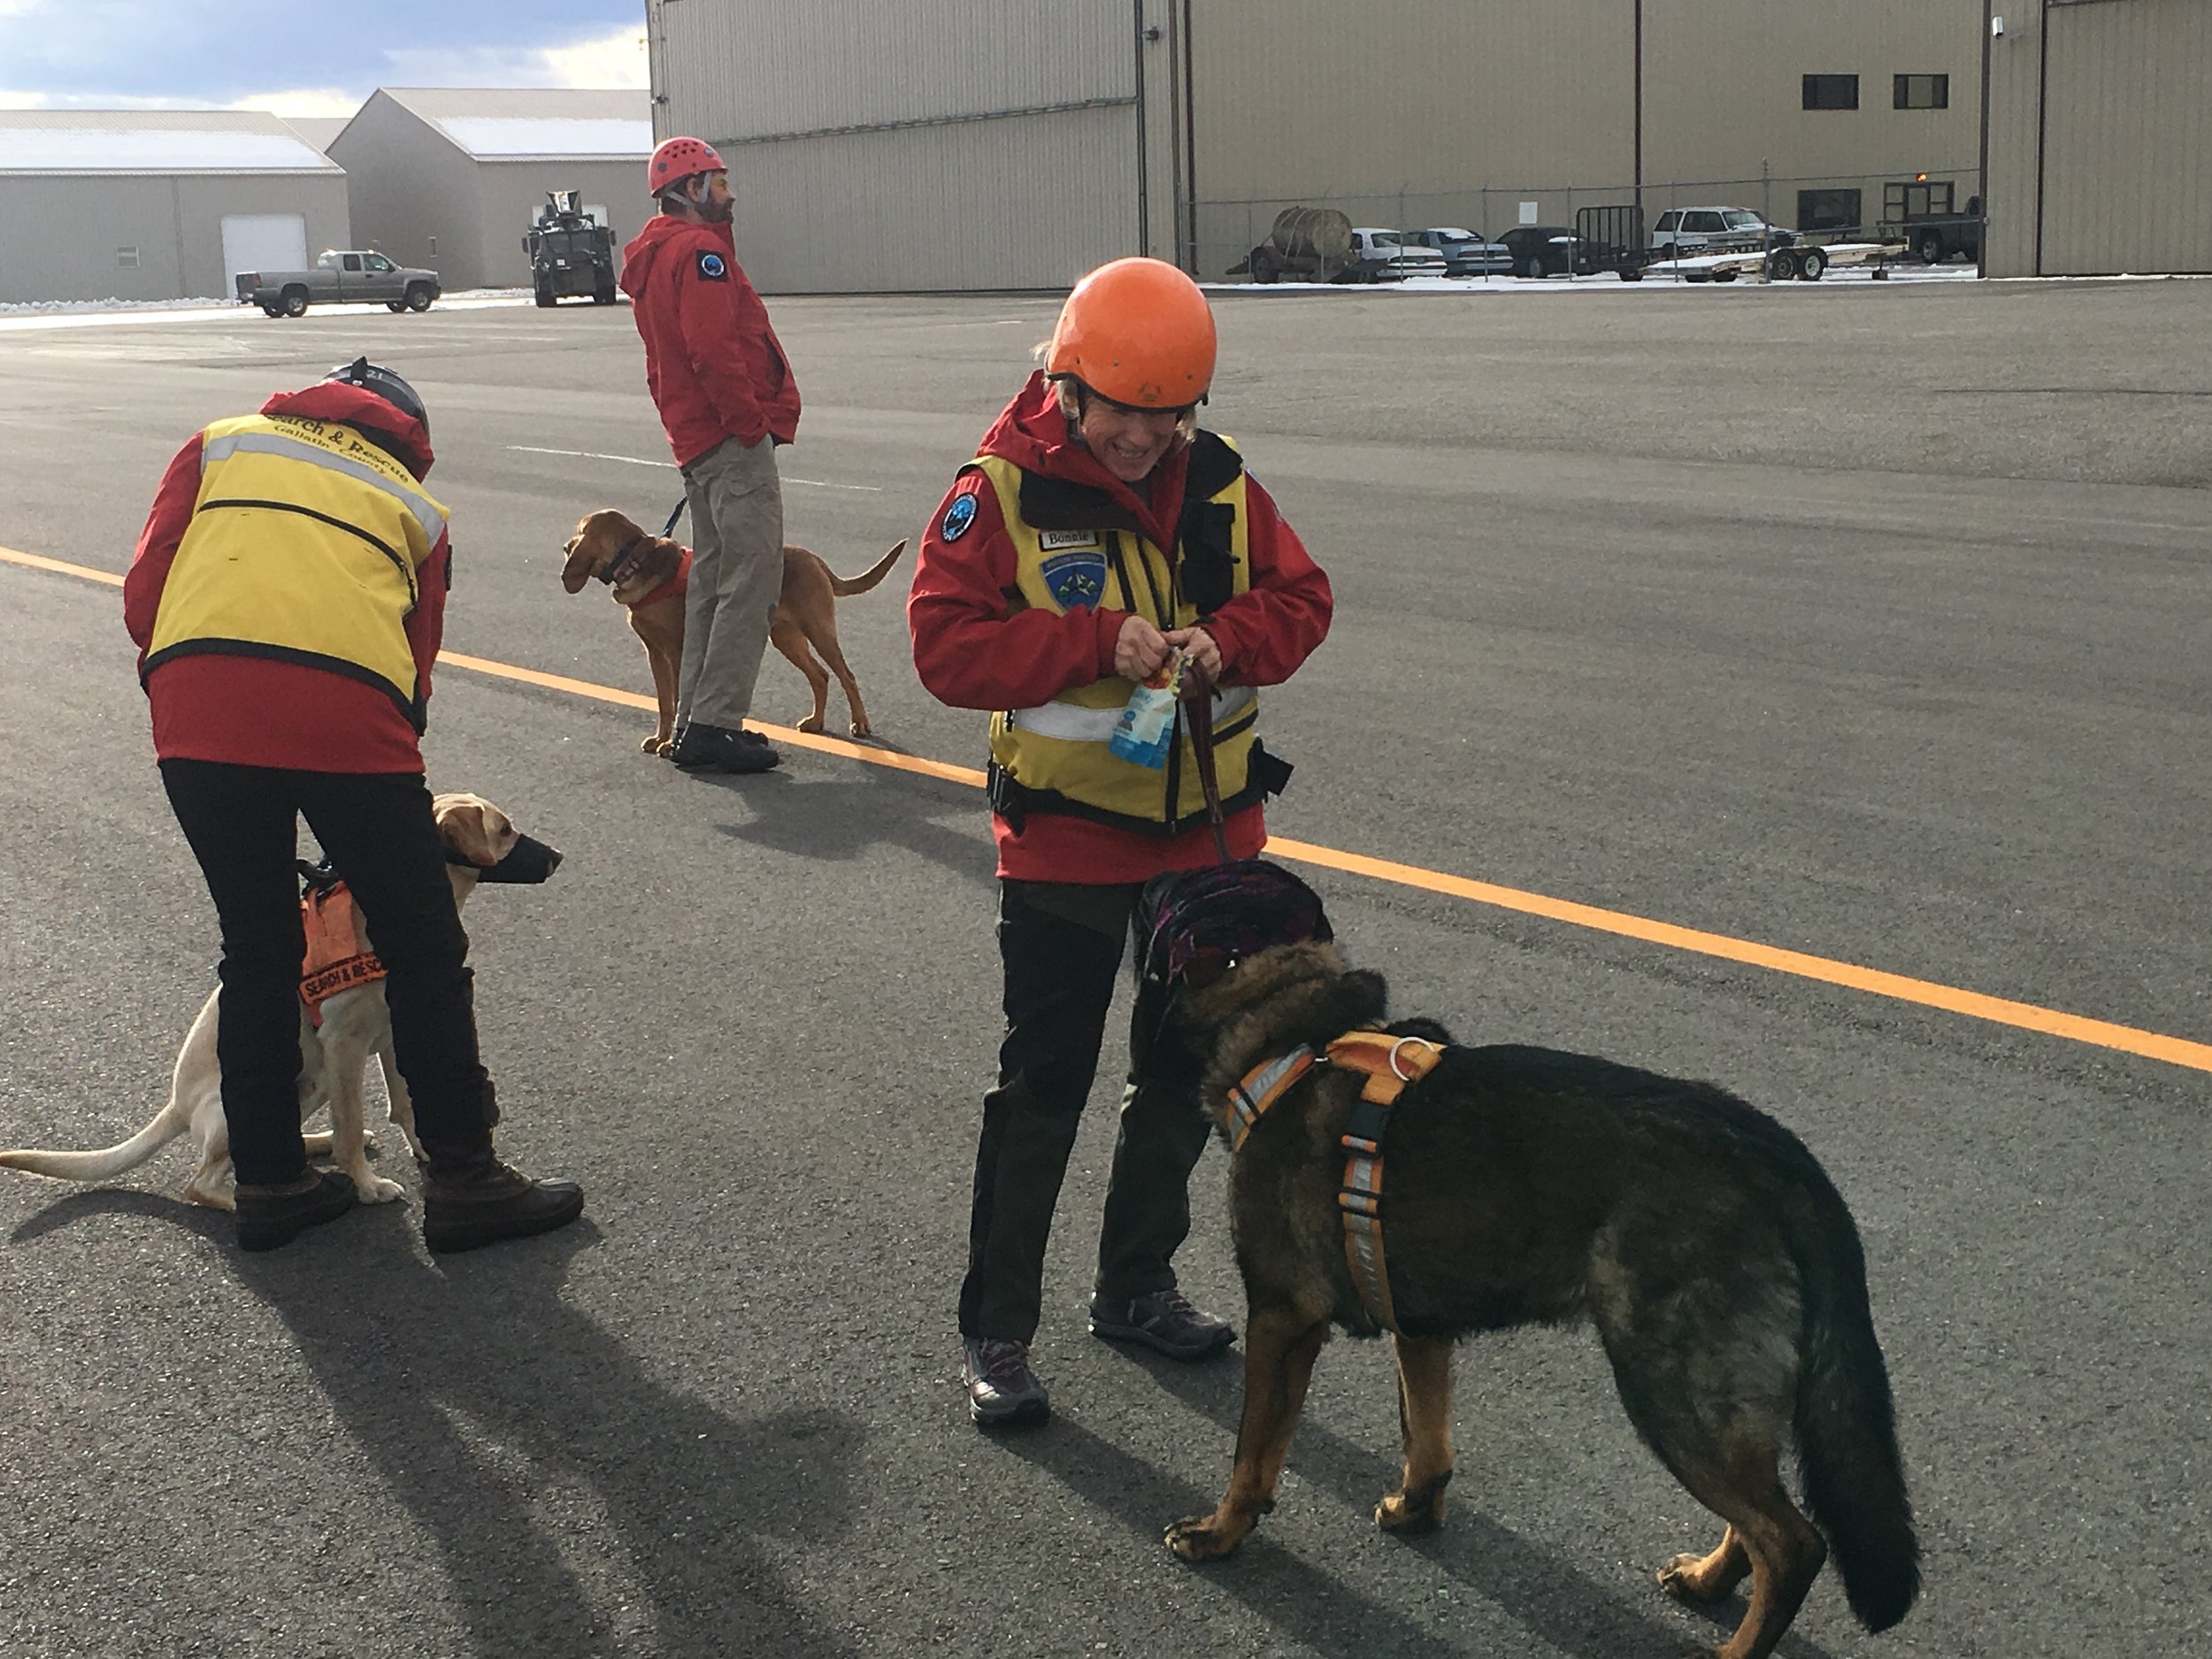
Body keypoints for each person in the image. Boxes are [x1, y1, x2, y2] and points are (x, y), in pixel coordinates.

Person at [908, 257, 1334, 1425]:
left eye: (1170, 412)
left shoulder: (1223, 481)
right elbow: (943, 647)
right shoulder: (996, 491)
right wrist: (1095, 641)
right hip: (1064, 844)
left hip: (1205, 837)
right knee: (1044, 1084)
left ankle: (1135, 1283)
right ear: (1069, 385)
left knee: (1186, 1075)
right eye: (1124, 410)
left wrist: (1223, 642)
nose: (1147, 435)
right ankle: (998, 1325)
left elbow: (1304, 600)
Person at [124, 358, 586, 1254]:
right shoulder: (413, 505)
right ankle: (464, 1179)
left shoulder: (220, 445)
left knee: (258, 948)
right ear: (406, 433)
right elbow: (418, 656)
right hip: (346, 721)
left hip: (200, 710)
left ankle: (268, 1183)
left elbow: (147, 593)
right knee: (423, 945)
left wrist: (205, 686)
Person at [619, 135, 802, 776]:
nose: (729, 195)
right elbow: (713, 350)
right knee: (752, 578)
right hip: (728, 441)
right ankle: (716, 724)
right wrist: (749, 425)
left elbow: (664, 363)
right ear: (691, 191)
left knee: (712, 580)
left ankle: (699, 717)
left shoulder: (657, 258)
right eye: (718, 184)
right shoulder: (699, 254)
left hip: (699, 440)